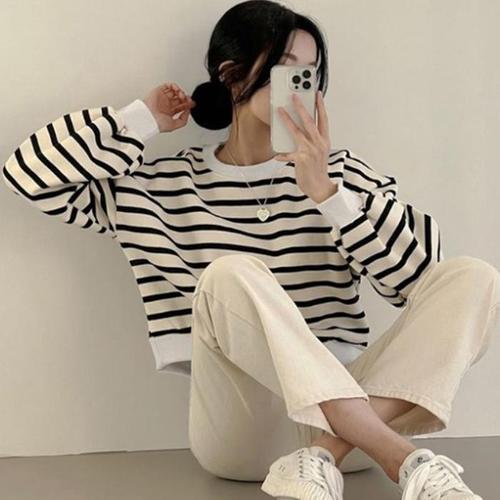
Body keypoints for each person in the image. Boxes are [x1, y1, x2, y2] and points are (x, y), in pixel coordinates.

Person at [2, 1, 499, 499]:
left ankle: (322, 454)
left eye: (310, 73)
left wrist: (329, 196)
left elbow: (418, 285)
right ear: (232, 75)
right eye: (286, 69)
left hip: (353, 426)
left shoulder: (341, 176)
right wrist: (141, 120)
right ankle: (405, 460)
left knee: (473, 275)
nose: (300, 86)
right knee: (230, 273)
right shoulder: (161, 187)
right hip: (242, 431)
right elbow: (27, 174)